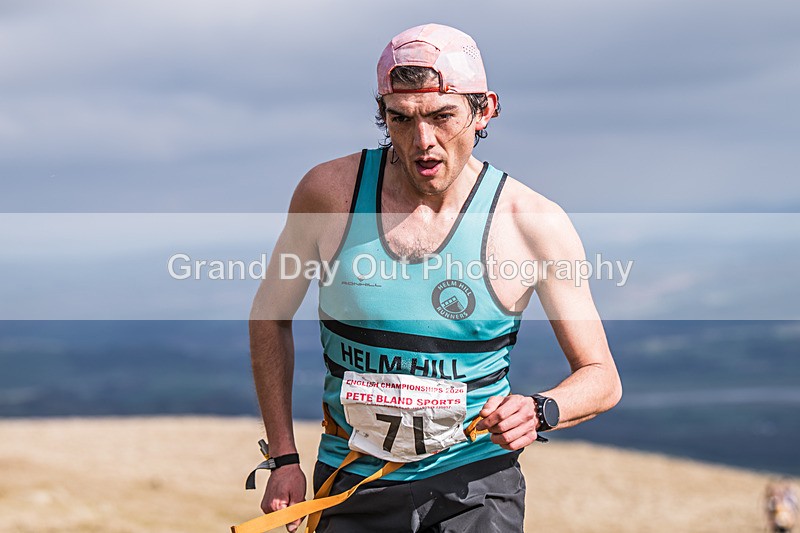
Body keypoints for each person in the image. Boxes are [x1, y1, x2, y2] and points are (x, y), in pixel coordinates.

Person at [243, 23, 622, 533]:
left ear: (484, 109)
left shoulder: (533, 223)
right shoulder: (328, 195)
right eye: (401, 119)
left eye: (443, 116)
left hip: (474, 487)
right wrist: (284, 457)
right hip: (352, 482)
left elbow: (601, 378)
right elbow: (269, 317)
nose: (423, 142)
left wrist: (540, 409)